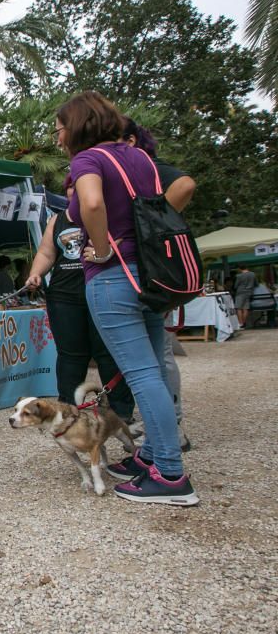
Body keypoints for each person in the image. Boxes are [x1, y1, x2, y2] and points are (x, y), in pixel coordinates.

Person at [57, 91, 198, 505]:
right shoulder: (139, 158)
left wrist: (101, 248)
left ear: (78, 127)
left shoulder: (87, 160)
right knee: (152, 365)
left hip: (113, 277)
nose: (58, 136)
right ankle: (151, 455)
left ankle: (170, 476)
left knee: (140, 373)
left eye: (60, 128)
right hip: (150, 275)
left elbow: (93, 202)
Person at [25, 176, 135, 421]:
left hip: (101, 289)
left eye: (80, 184)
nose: (76, 190)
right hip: (64, 295)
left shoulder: (108, 212)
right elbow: (45, 252)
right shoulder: (57, 219)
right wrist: (35, 274)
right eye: (71, 186)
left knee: (108, 352)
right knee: (70, 356)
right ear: (67, 191)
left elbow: (124, 243)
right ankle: (67, 410)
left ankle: (120, 411)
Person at [122, 118, 195, 450]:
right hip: (142, 273)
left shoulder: (148, 165)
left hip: (158, 271)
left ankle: (172, 424)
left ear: (132, 140)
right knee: (148, 354)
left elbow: (184, 185)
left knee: (160, 352)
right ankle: (157, 421)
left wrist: (154, 226)